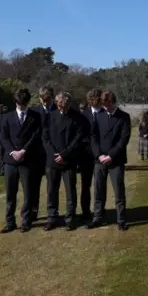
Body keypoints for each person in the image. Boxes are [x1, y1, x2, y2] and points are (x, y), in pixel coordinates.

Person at [86, 90, 131, 231]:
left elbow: (123, 139)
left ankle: (121, 219)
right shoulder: (98, 116)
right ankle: (97, 217)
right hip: (99, 160)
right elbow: (93, 137)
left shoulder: (124, 117)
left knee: (119, 191)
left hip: (115, 160)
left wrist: (111, 155)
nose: (105, 108)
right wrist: (99, 155)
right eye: (104, 105)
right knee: (98, 190)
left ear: (113, 102)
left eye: (108, 105)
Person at [42, 92, 86, 231]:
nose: (63, 110)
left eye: (65, 107)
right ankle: (52, 218)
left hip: (69, 160)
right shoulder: (50, 116)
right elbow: (45, 137)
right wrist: (54, 154)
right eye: (60, 107)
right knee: (51, 191)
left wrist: (64, 154)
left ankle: (70, 218)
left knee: (70, 191)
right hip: (52, 160)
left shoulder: (77, 117)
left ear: (69, 104)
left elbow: (78, 139)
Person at [0, 88, 41, 233]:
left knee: (28, 192)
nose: (21, 107)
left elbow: (36, 136)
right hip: (10, 160)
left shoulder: (35, 117)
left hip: (27, 159)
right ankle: (10, 222)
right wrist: (12, 151)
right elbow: (3, 137)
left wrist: (24, 151)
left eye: (23, 104)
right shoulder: (7, 117)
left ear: (27, 102)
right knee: (11, 193)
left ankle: (26, 221)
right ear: (15, 102)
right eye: (18, 104)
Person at [29, 86, 57, 221]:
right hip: (36, 155)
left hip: (52, 154)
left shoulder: (59, 110)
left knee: (52, 186)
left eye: (48, 99)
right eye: (42, 99)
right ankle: (33, 211)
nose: (45, 102)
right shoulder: (33, 111)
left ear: (52, 97)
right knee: (34, 186)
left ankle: (52, 212)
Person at [79, 89, 102, 220]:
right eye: (92, 99)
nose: (95, 101)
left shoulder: (105, 113)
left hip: (101, 155)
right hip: (86, 155)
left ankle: (99, 210)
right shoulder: (83, 115)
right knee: (85, 185)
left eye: (97, 98)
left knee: (100, 184)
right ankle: (85, 211)